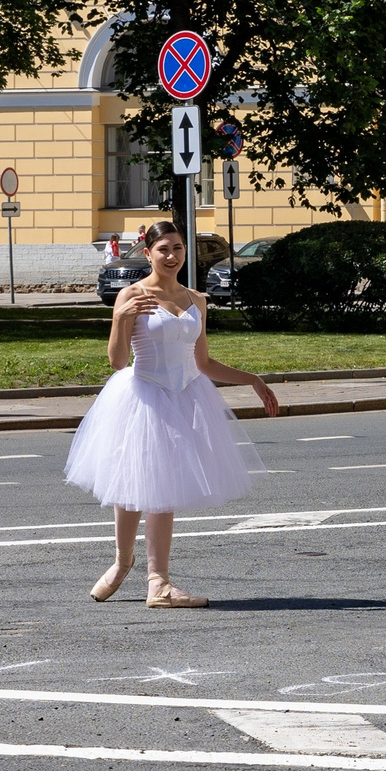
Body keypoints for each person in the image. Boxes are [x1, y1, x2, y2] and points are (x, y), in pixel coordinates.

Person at [63, 220, 280, 608]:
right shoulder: (133, 294)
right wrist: (120, 317)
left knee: (161, 488)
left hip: (185, 398)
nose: (171, 256)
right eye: (163, 249)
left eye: (178, 248)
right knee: (131, 484)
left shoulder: (196, 299)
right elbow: (117, 361)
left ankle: (157, 582)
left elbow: (203, 362)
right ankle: (123, 563)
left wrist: (252, 380)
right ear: (148, 253)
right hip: (143, 395)